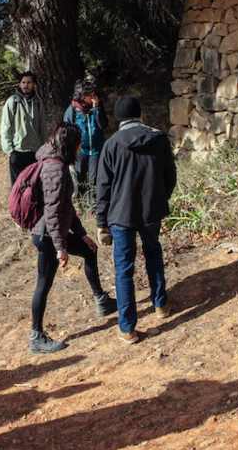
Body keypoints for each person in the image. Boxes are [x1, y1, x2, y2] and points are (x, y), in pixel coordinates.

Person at [28, 123, 117, 354]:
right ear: (71, 145)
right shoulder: (54, 169)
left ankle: (102, 301)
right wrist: (61, 247)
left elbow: (66, 206)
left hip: (51, 231)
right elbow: (53, 211)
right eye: (79, 144)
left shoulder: (56, 163)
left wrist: (82, 234)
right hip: (46, 234)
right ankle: (36, 337)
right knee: (43, 284)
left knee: (89, 250)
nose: (80, 149)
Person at [95, 96, 177, 345]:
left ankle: (127, 328)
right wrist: (160, 198)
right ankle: (161, 305)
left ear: (119, 118)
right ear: (140, 114)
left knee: (124, 269)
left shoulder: (111, 145)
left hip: (121, 216)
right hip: (151, 210)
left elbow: (103, 187)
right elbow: (170, 176)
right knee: (154, 254)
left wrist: (101, 222)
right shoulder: (159, 139)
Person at [62, 79, 107, 197]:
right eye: (90, 95)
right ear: (82, 96)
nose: (93, 96)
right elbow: (65, 133)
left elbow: (103, 125)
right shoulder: (72, 110)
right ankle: (81, 203)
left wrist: (97, 109)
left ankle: (93, 204)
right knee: (80, 177)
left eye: (94, 93)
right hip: (79, 151)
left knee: (95, 179)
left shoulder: (97, 106)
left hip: (96, 150)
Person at [0, 72, 46, 185]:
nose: (26, 85)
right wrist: (10, 151)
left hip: (34, 152)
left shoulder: (38, 102)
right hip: (18, 152)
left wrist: (42, 149)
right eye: (23, 82)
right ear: (19, 84)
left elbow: (42, 127)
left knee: (33, 186)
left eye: (29, 82)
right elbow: (5, 127)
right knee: (17, 187)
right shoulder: (12, 102)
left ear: (34, 85)